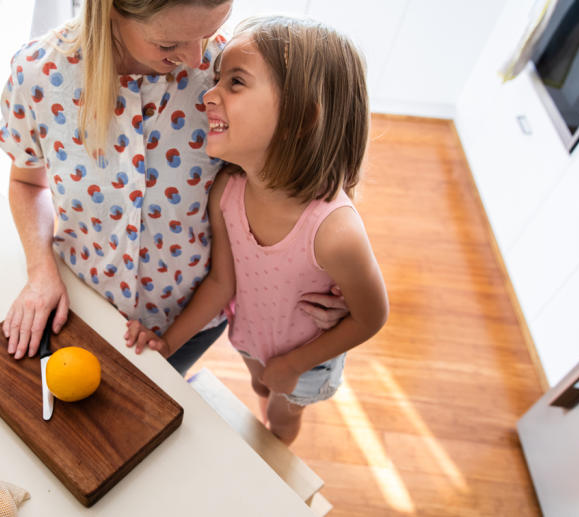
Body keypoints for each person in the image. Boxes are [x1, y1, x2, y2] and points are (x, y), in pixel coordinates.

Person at [0, 1, 348, 376]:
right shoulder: (38, 76)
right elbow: (27, 183)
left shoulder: (228, 78)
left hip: (191, 322)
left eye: (209, 32)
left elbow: (300, 168)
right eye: (168, 44)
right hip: (83, 306)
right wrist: (41, 271)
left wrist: (331, 281)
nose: (197, 59)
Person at [125, 16, 389, 445]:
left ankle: (278, 441)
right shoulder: (226, 192)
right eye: (217, 80)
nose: (208, 95)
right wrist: (168, 344)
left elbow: (372, 315)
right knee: (262, 387)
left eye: (235, 83)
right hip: (249, 340)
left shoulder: (336, 233)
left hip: (309, 364)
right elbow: (221, 282)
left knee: (282, 420)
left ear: (301, 117)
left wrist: (295, 364)